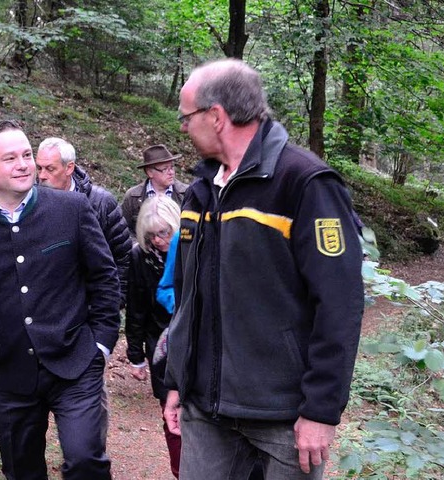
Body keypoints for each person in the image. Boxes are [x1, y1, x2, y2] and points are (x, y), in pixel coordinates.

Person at [164, 59, 364, 479]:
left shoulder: (306, 183)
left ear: (216, 116)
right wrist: (178, 380)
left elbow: (340, 305)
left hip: (285, 418)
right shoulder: (199, 194)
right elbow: (187, 298)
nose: (182, 128)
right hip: (205, 411)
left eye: (186, 117)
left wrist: (321, 411)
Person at [0, 120, 120, 480]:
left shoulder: (72, 209)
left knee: (86, 460)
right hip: (10, 375)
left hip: (76, 362)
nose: (24, 164)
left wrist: (101, 344)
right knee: (21, 471)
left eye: (26, 155)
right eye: (10, 158)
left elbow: (105, 277)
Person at [35, 136, 132, 306]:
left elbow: (122, 256)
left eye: (50, 169)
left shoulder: (101, 203)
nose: (42, 176)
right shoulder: (29, 202)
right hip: (45, 309)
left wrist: (113, 303)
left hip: (90, 308)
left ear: (69, 168)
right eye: (39, 168)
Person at [125, 194, 182, 478]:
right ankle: (180, 471)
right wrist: (135, 355)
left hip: (192, 339)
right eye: (153, 235)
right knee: (170, 414)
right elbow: (135, 307)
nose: (159, 240)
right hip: (159, 345)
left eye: (164, 232)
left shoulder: (193, 248)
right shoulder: (140, 256)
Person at [121, 144, 189, 239]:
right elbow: (124, 229)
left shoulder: (187, 193)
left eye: (172, 167)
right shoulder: (133, 196)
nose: (171, 172)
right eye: (165, 169)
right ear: (150, 172)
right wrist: (138, 246)